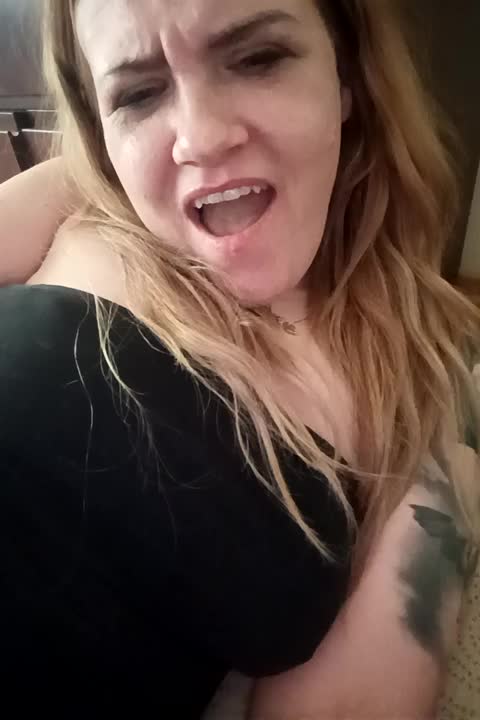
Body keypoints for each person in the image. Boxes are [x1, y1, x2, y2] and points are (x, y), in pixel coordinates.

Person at [1, 0, 479, 717]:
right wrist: (103, 162)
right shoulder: (81, 210)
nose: (200, 138)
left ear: (349, 76)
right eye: (138, 93)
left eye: (257, 58)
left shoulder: (417, 376)